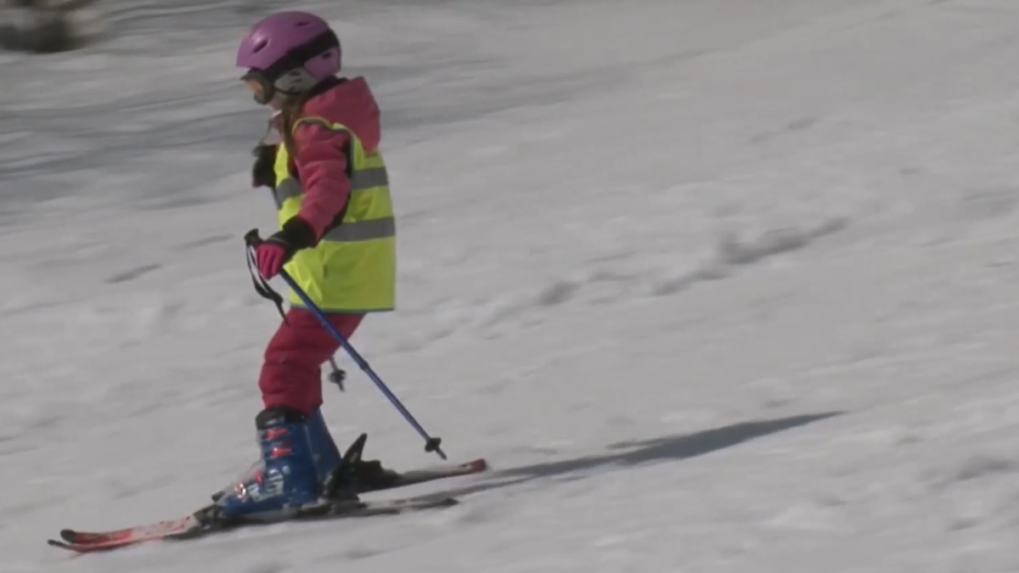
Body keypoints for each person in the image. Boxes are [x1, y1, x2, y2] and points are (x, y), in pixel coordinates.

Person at [213, 10, 397, 520]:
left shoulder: (316, 125)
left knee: (283, 367)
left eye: (259, 85)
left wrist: (290, 236)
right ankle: (320, 464)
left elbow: (329, 191)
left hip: (336, 272)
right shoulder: (319, 117)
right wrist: (271, 159)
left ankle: (287, 477)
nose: (259, 97)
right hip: (342, 272)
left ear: (293, 76)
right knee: (296, 365)